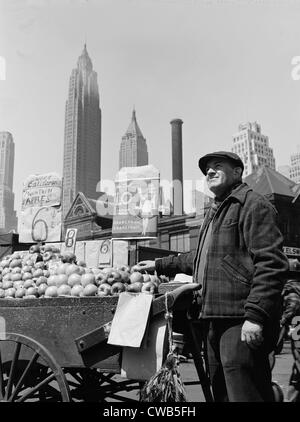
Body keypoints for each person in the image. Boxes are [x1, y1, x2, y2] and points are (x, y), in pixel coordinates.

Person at [136, 151, 288, 402]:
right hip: (212, 317)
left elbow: (271, 264)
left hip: (239, 319)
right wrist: (158, 264)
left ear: (237, 172)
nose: (209, 172)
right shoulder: (216, 211)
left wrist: (256, 316)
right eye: (207, 169)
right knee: (222, 392)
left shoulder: (253, 205)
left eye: (218, 166)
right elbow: (199, 257)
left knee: (244, 392)